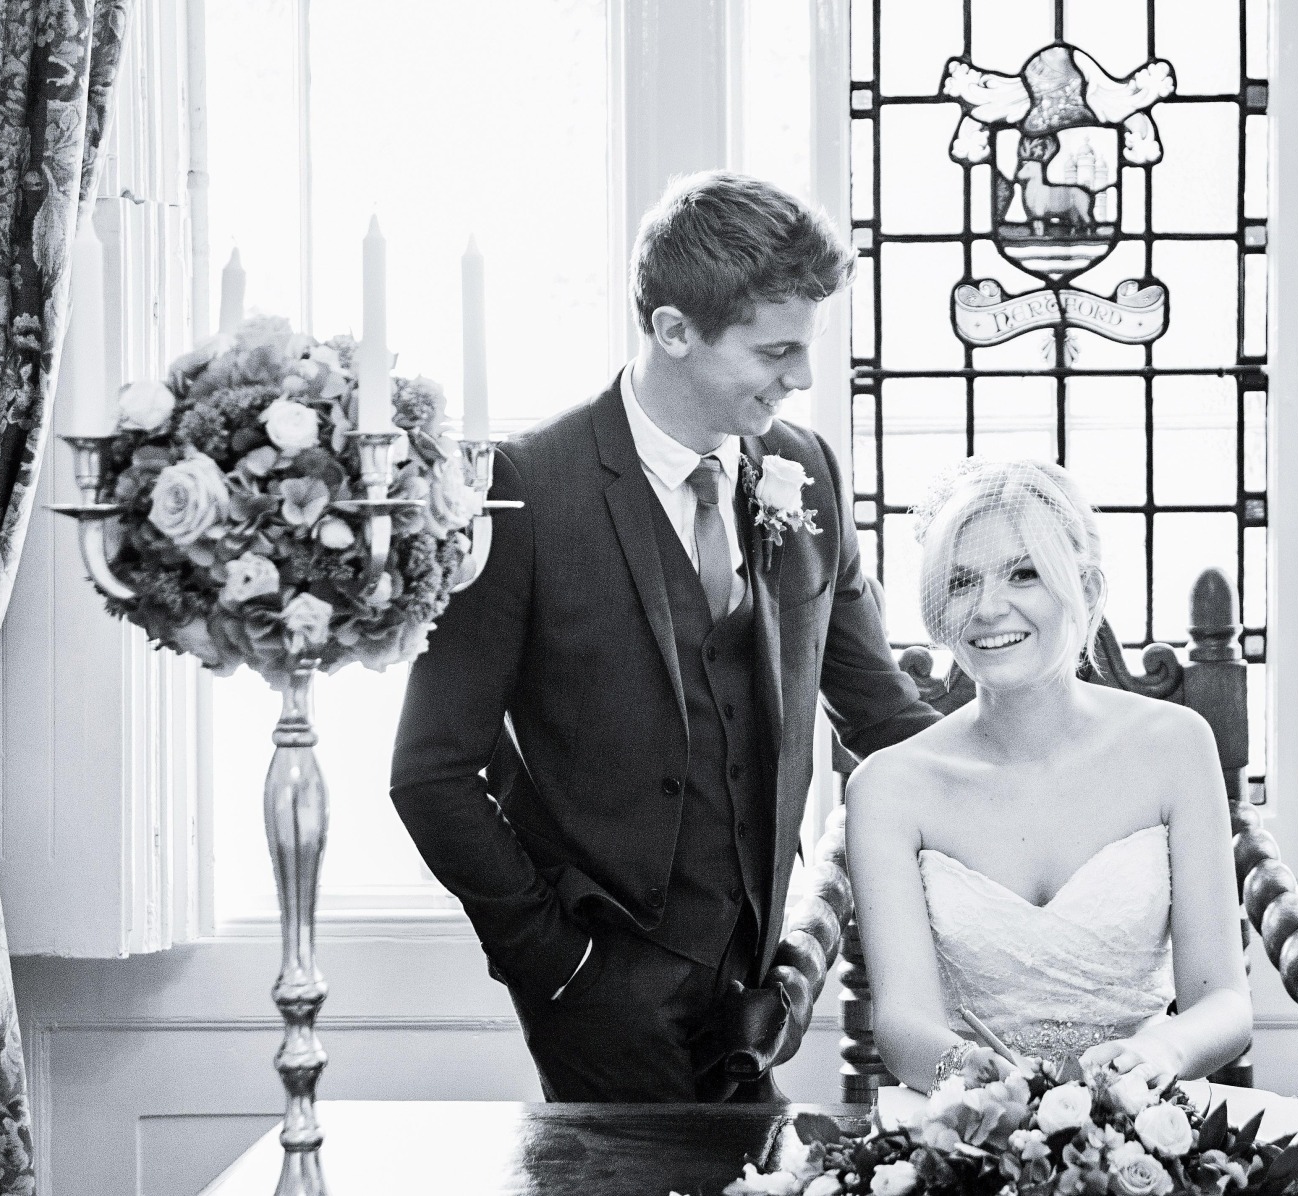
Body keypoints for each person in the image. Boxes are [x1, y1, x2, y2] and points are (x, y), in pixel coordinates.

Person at [390, 171, 939, 1103]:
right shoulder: (523, 490)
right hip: (597, 983)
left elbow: (882, 714)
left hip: (758, 984)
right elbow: (431, 771)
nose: (801, 379)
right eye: (774, 352)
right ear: (674, 330)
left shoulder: (806, 470)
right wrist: (555, 963)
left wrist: (1056, 776)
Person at [845, 460, 1252, 1092]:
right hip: (963, 1136)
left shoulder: (1176, 746)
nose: (987, 608)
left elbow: (1224, 1003)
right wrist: (963, 1072)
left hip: (1149, 1128)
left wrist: (1164, 1052)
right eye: (960, 582)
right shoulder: (887, 788)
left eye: (1023, 573)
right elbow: (901, 1025)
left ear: (1085, 591)